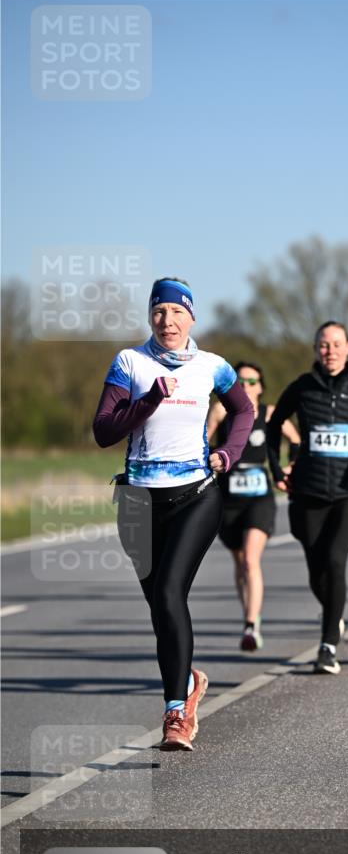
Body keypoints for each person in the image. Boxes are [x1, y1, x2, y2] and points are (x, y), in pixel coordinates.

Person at [93, 277, 254, 751]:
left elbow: (244, 412)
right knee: (161, 608)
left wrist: (230, 452)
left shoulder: (213, 367)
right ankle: (189, 683)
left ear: (191, 318)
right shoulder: (130, 362)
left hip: (196, 496)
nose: (168, 321)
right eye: (159, 312)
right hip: (138, 503)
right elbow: (103, 432)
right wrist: (148, 401)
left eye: (177, 312)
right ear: (150, 317)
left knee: (167, 593)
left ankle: (176, 715)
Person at [266, 322, 348, 674]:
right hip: (307, 490)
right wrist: (278, 470)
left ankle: (327, 646)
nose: (331, 351)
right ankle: (333, 614)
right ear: (315, 349)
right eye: (324, 345)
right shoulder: (302, 387)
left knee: (336, 559)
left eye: (337, 344)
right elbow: (274, 425)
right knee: (315, 566)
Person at [207, 362, 300, 651]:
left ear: (260, 386)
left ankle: (250, 625)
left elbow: (296, 440)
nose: (246, 385)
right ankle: (250, 612)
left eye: (252, 381)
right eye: (241, 381)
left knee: (250, 559)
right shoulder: (222, 411)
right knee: (239, 563)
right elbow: (202, 441)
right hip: (228, 497)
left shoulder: (271, 413)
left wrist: (291, 465)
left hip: (260, 497)